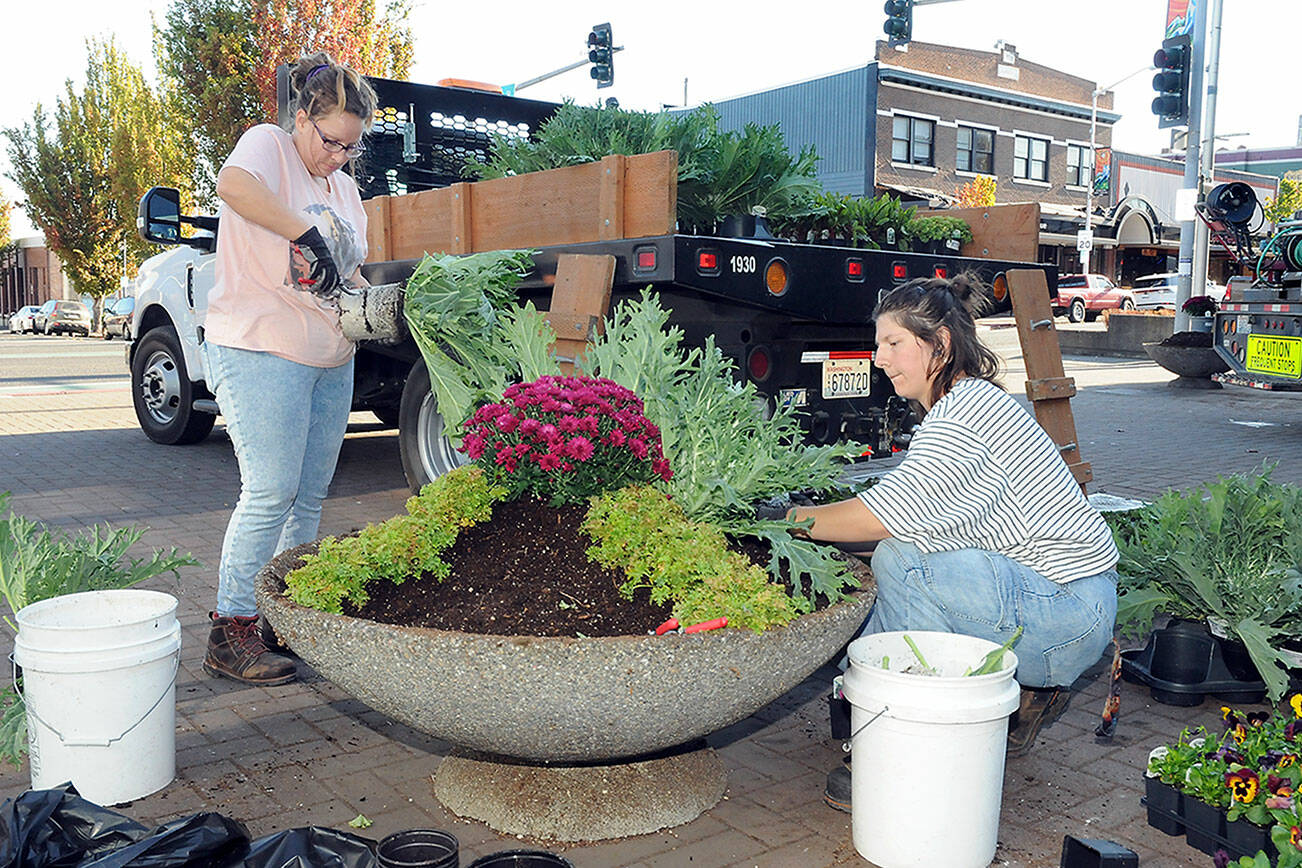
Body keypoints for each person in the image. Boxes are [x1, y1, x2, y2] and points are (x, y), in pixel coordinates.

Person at [788, 274, 1119, 810]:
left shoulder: (962, 420)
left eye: (893, 343)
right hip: (1063, 602)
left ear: (939, 345)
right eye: (878, 345)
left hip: (1064, 610)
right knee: (902, 559)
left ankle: (899, 737)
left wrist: (781, 520)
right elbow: (922, 514)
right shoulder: (970, 404)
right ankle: (1014, 697)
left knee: (900, 562)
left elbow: (879, 518)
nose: (880, 358)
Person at [201, 53, 378, 685]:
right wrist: (304, 234)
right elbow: (234, 188)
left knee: (308, 497)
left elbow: (349, 265)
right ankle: (232, 629)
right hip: (260, 346)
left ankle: (285, 619)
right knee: (270, 491)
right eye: (331, 141)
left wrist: (372, 302)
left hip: (330, 355)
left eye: (350, 148)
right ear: (302, 118)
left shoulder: (346, 188)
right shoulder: (268, 147)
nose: (338, 156)